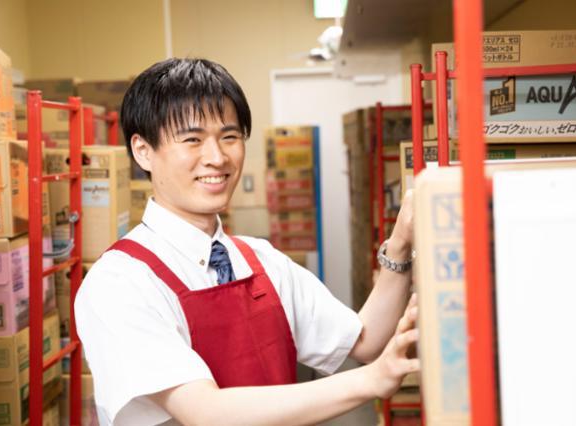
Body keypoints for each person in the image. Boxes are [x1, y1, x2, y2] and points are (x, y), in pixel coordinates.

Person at [75, 58, 419, 426]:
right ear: (143, 150)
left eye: (229, 136)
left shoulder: (260, 260)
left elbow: (364, 340)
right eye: (192, 139)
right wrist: (371, 380)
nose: (217, 158)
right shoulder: (119, 281)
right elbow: (206, 412)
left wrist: (400, 243)